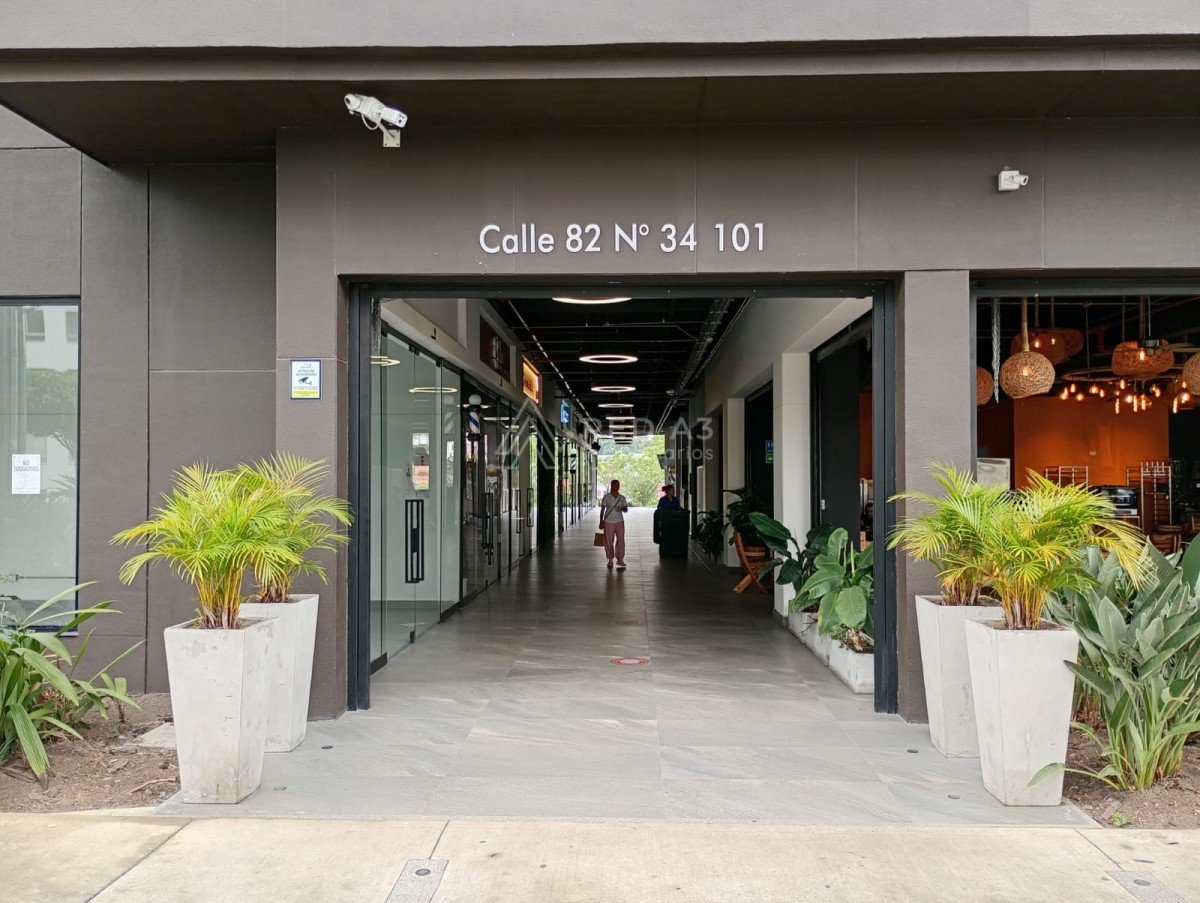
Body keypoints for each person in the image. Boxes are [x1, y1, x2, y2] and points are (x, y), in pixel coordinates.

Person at [600, 478, 629, 569]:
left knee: (621, 540)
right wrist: (601, 521)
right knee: (609, 541)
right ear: (612, 486)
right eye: (615, 485)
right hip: (608, 521)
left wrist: (622, 508)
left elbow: (626, 510)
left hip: (619, 521)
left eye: (618, 485)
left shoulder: (622, 498)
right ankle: (610, 559)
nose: (617, 486)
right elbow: (602, 510)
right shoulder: (606, 497)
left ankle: (620, 559)